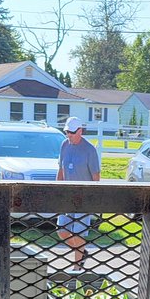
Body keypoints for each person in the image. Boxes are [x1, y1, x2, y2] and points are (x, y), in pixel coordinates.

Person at [56, 116, 100, 273]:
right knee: (62, 231)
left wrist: (93, 199)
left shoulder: (90, 150)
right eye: (67, 132)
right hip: (67, 197)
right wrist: (56, 190)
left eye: (72, 133)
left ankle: (77, 266)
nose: (69, 135)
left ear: (80, 131)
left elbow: (96, 177)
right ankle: (82, 253)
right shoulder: (64, 145)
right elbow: (60, 169)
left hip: (84, 199)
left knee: (78, 232)